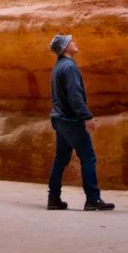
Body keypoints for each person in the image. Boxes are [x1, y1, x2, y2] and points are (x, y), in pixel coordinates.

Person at [46, 33, 115, 211]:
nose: (74, 43)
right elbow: (74, 96)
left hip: (59, 119)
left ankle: (53, 199)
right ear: (64, 48)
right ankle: (92, 199)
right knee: (88, 157)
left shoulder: (59, 67)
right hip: (71, 120)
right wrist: (86, 116)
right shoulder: (69, 67)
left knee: (60, 159)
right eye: (70, 42)